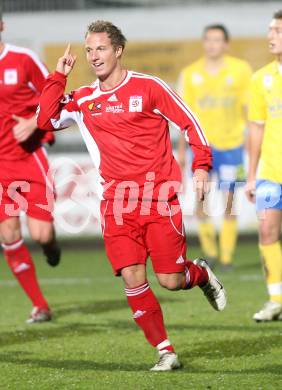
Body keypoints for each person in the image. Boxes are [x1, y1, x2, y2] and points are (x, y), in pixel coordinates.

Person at [37, 20, 226, 371]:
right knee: (131, 277)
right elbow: (45, 120)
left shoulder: (149, 87)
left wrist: (201, 166)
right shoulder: (84, 99)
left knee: (170, 280)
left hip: (159, 200)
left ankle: (199, 275)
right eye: (89, 49)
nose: (94, 56)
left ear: (118, 50)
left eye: (101, 49)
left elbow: (190, 122)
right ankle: (165, 350)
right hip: (117, 205)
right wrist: (57, 77)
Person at [0, 11, 61, 323]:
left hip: (28, 158)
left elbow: (54, 93)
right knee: (8, 233)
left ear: (1, 26)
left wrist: (33, 122)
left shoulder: (22, 59)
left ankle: (51, 247)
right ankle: (40, 305)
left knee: (41, 234)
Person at [178, 25, 252, 270]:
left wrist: (251, 145)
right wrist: (180, 151)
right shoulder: (190, 74)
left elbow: (248, 111)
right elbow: (183, 117)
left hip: (232, 146)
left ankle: (227, 257)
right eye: (208, 39)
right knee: (201, 200)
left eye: (217, 40)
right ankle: (210, 252)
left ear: (226, 44)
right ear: (203, 43)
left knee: (230, 202)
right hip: (200, 148)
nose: (212, 44)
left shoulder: (240, 70)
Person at [246, 10, 282, 322]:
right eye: (270, 29)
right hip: (271, 173)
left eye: (278, 30)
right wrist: (252, 175)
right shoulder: (260, 79)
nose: (271, 35)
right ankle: (276, 298)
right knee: (267, 229)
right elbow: (256, 128)